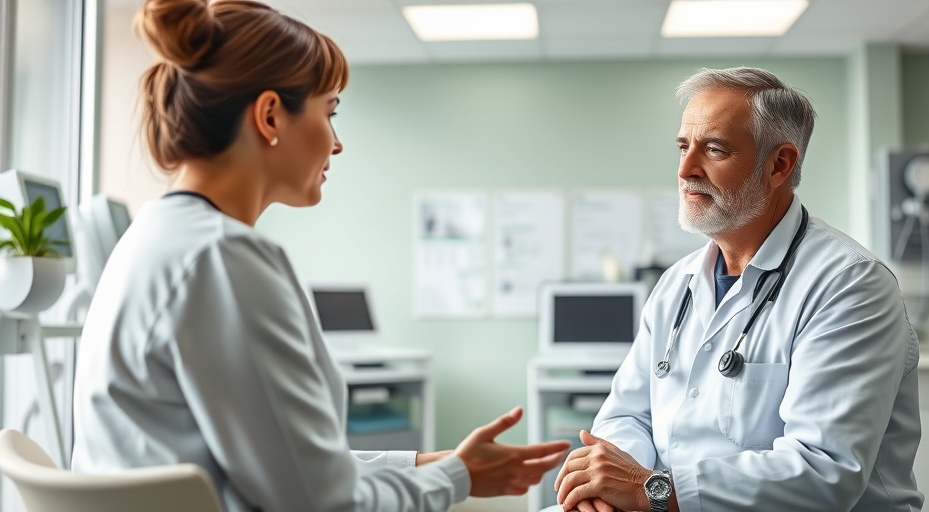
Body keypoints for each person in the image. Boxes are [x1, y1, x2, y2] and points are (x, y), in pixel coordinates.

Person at [70, 1, 569, 511]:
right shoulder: (222, 258)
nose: (337, 143)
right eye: (329, 112)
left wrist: (436, 466)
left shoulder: (153, 237)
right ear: (269, 116)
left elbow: (293, 467)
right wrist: (454, 480)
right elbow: (327, 504)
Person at [551, 67, 924, 512]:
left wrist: (651, 491)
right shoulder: (677, 285)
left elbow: (824, 470)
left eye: (713, 149)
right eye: (683, 147)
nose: (687, 169)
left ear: (779, 164)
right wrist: (607, 491)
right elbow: (628, 414)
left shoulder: (849, 285)